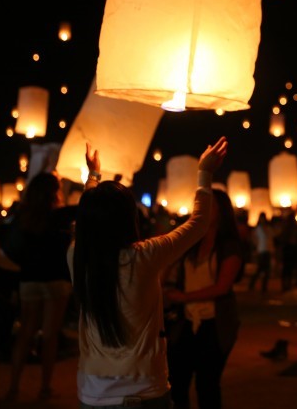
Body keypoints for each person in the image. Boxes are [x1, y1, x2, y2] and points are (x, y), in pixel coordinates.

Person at [69, 136, 228, 408]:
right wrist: (205, 173)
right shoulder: (144, 256)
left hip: (93, 391)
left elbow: (89, 221)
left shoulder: (77, 256)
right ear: (129, 218)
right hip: (143, 388)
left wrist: (93, 178)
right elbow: (199, 223)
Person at [165, 188, 245, 409]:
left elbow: (222, 287)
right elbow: (168, 268)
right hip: (186, 322)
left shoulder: (229, 246)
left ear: (222, 212)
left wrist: (183, 297)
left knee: (207, 384)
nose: (202, 211)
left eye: (209, 206)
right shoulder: (191, 243)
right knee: (176, 382)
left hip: (215, 323)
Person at [5, 171, 77, 401]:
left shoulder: (22, 216)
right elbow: (88, 205)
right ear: (54, 193)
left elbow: (10, 246)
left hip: (29, 279)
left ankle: (13, 387)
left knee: (25, 332)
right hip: (56, 280)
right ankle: (45, 387)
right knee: (50, 335)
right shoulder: (63, 216)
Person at [248, 212, 273, 293]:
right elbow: (254, 239)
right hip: (261, 251)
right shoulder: (258, 229)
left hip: (267, 250)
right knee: (260, 269)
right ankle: (253, 284)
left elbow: (271, 239)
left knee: (266, 270)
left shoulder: (268, 228)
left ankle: (263, 287)